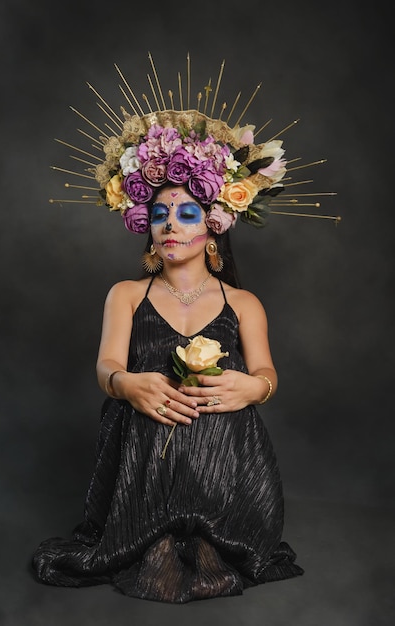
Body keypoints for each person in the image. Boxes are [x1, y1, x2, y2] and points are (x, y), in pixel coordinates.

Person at [32, 56, 306, 602]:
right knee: (146, 419)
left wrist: (256, 386)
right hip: (143, 456)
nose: (170, 226)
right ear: (146, 229)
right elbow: (106, 364)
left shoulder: (243, 302)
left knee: (217, 560)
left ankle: (211, 528)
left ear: (213, 225)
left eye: (185, 213)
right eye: (159, 215)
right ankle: (153, 528)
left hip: (224, 456)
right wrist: (127, 383)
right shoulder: (127, 294)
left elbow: (266, 371)